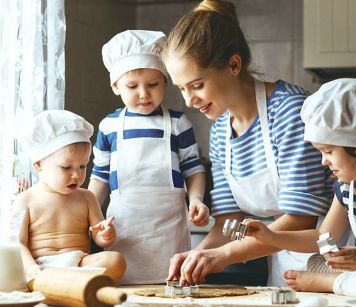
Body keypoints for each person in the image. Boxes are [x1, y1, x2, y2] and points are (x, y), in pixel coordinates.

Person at [162, 0, 333, 286]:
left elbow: (300, 219)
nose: (189, 101)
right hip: (283, 267)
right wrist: (196, 255)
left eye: (197, 85)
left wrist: (221, 256)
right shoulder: (219, 132)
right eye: (181, 88)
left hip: (331, 259)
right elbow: (228, 222)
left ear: (234, 64)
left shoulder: (290, 111)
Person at [243, 78, 356, 298]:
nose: (324, 161)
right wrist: (269, 236)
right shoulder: (348, 187)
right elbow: (323, 236)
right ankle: (337, 279)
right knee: (317, 262)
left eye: (329, 152)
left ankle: (330, 282)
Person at [88, 30, 209, 284]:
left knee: (171, 288)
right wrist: (89, 218)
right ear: (115, 86)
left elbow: (193, 169)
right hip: (124, 230)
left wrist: (196, 199)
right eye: (133, 86)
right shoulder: (109, 126)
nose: (144, 93)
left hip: (169, 230)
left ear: (165, 82)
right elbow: (99, 178)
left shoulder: (179, 123)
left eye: (153, 84)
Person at [14, 110, 126, 282]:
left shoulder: (87, 198)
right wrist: (32, 268)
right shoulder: (27, 199)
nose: (76, 175)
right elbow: (18, 243)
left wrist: (104, 235)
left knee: (115, 260)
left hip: (79, 264)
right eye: (66, 167)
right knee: (16, 265)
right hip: (41, 266)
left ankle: (65, 284)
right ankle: (60, 284)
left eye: (82, 166)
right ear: (38, 164)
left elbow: (98, 236)